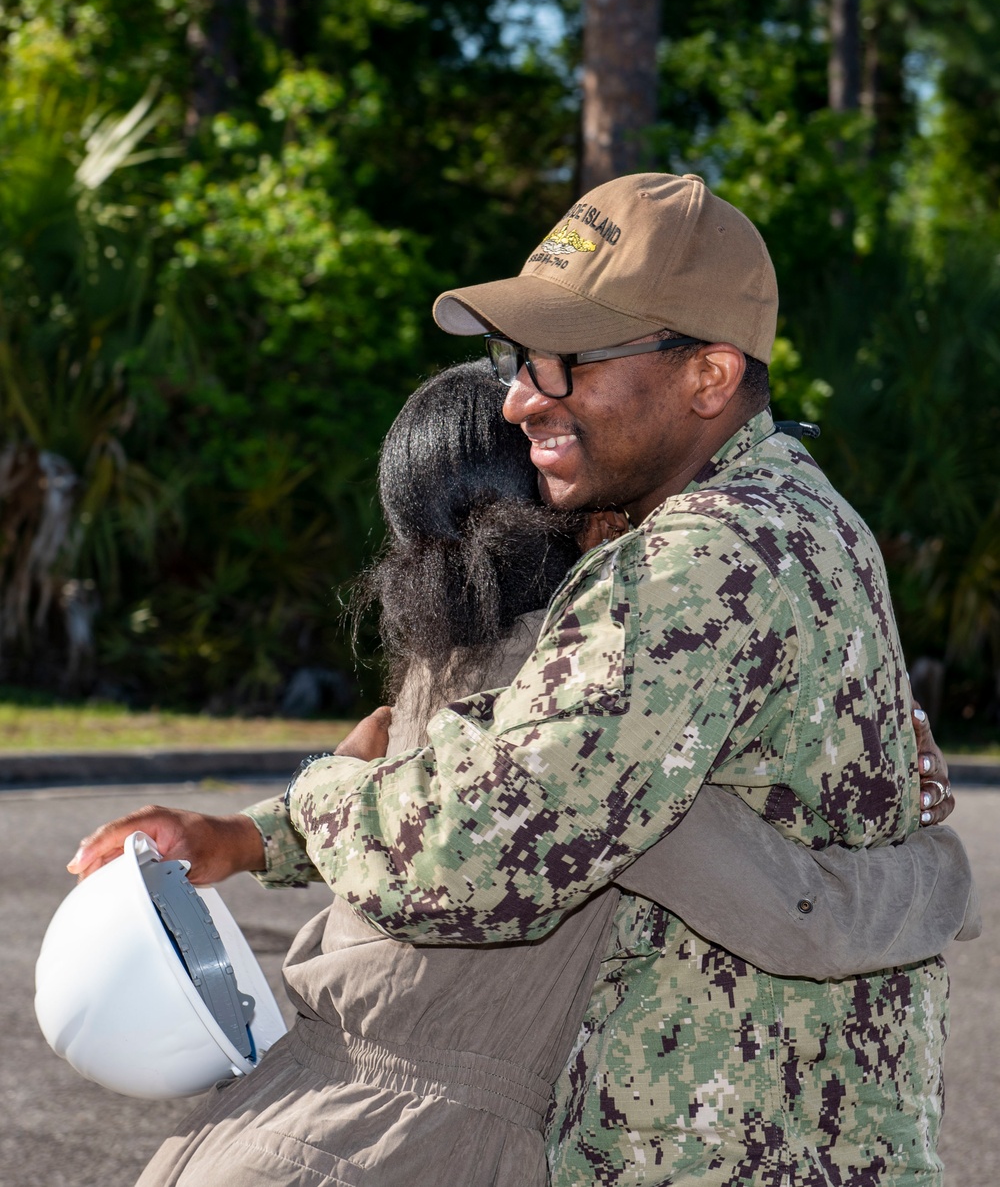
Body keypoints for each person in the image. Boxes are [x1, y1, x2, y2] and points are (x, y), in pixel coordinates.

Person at [71, 176, 977, 1185]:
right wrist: (250, 835)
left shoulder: (693, 564)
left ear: (709, 376)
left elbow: (480, 841)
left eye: (566, 361)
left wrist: (324, 790)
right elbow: (536, 754)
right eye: (517, 359)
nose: (519, 396)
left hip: (737, 1147)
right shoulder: (802, 513)